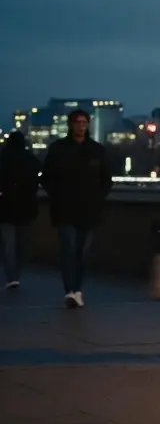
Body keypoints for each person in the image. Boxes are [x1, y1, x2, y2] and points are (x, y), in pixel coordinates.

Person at [41, 109, 112, 308]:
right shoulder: (58, 149)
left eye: (84, 122)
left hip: (89, 209)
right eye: (78, 122)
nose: (81, 126)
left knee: (81, 252)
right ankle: (70, 290)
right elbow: (46, 177)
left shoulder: (97, 150)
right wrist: (57, 195)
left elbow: (107, 179)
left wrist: (98, 197)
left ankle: (77, 289)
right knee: (68, 248)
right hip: (65, 208)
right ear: (71, 125)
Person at [0, 131, 41, 289]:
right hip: (26, 207)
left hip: (5, 208)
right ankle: (17, 272)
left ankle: (11, 276)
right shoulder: (30, 159)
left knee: (7, 243)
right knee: (21, 244)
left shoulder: (3, 159)